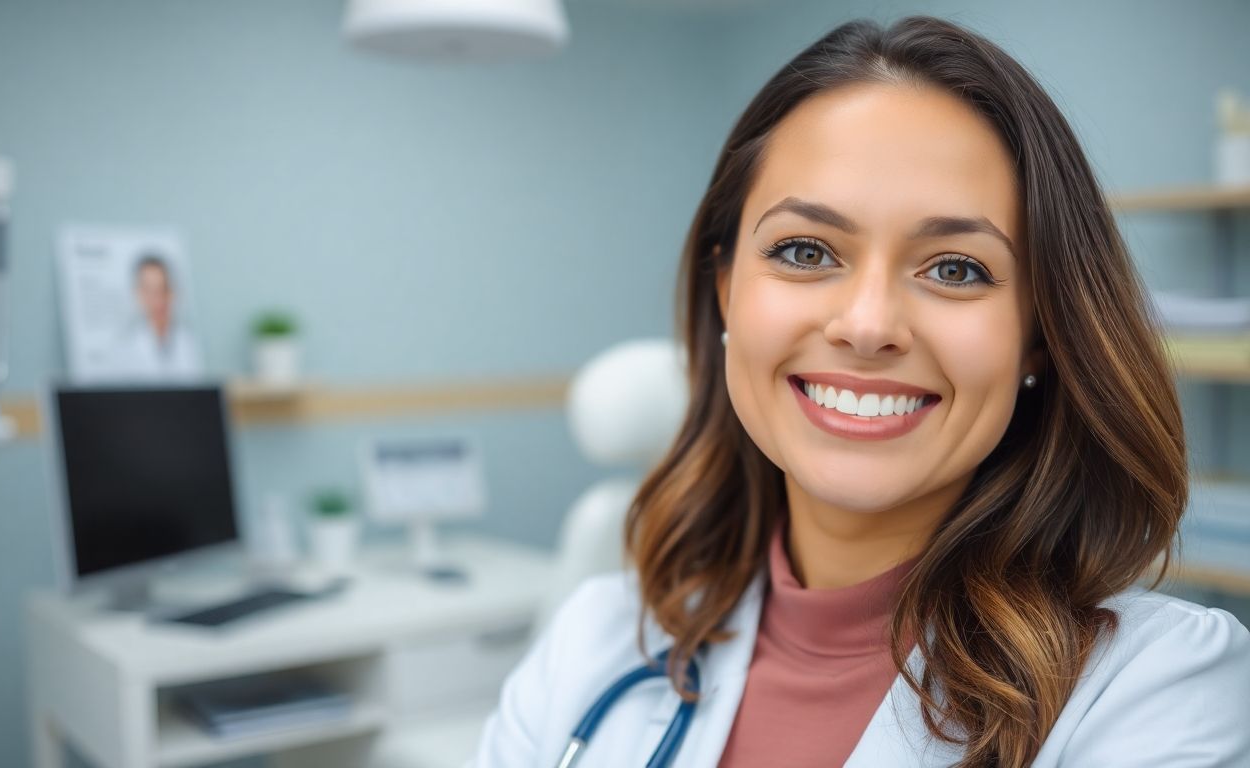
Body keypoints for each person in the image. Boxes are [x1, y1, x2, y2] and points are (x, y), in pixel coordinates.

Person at [472, 15, 1250, 768]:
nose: (868, 324)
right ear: (726, 291)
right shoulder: (593, 642)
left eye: (955, 268)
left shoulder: (1156, 690)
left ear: (1038, 336)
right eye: (806, 250)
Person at [107, 253, 201, 380]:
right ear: (139, 294)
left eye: (163, 289)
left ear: (172, 292)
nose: (158, 300)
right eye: (150, 291)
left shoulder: (188, 341)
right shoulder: (124, 347)